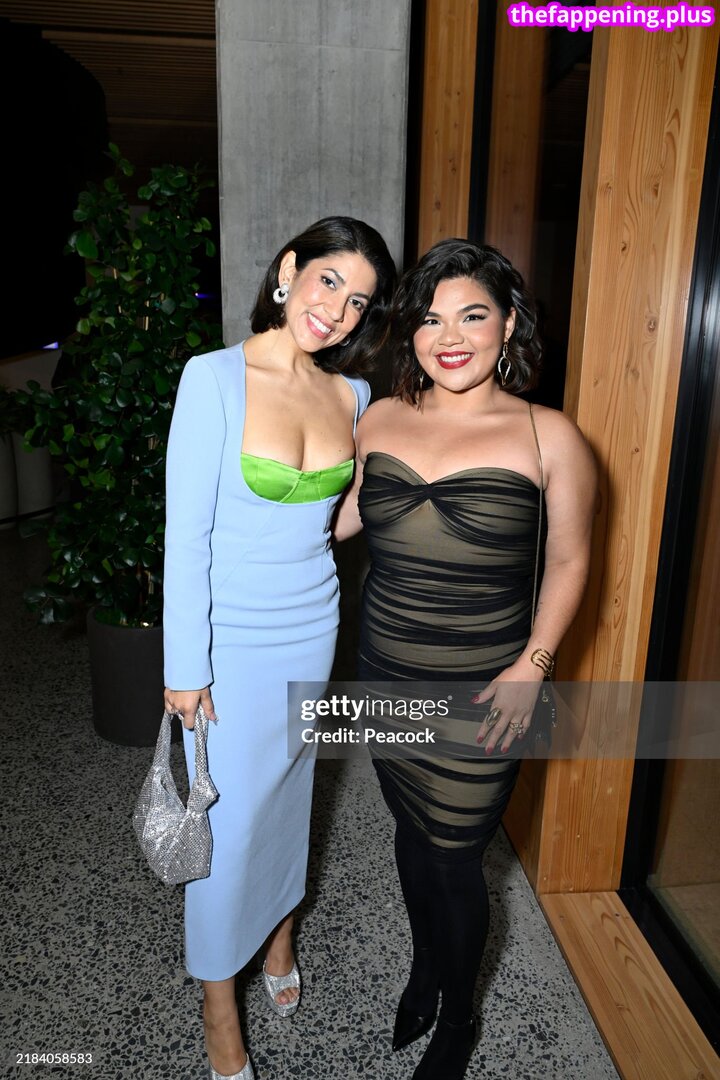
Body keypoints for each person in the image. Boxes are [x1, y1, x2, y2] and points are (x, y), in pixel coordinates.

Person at [334, 239, 596, 1080]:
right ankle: (424, 970)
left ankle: (459, 1014)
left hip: (489, 683)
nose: (449, 337)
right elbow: (337, 522)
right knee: (412, 835)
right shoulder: (378, 418)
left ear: (508, 324)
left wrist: (533, 667)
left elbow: (570, 563)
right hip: (387, 666)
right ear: (409, 331)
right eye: (430, 319)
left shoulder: (550, 435)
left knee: (454, 854)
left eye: (472, 316)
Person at [162, 216, 395, 1080]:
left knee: (292, 797)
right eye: (330, 280)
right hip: (229, 641)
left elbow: (334, 522)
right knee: (224, 822)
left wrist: (409, 473)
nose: (337, 309)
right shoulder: (214, 378)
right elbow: (185, 535)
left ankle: (279, 935)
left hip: (312, 627)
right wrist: (184, 668)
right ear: (290, 270)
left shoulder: (352, 395)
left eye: (359, 301)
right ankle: (217, 1005)